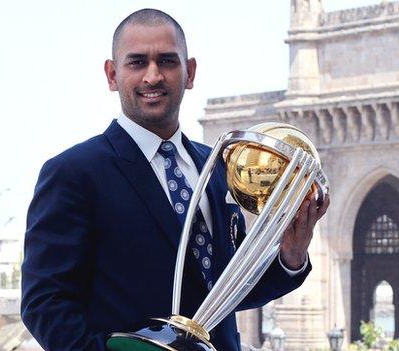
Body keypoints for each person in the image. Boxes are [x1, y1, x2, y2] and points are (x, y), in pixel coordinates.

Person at [21, 8, 330, 351]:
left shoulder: (218, 168)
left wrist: (291, 255)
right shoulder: (73, 173)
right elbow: (44, 305)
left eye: (167, 61)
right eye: (137, 62)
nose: (153, 76)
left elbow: (233, 288)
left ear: (190, 72)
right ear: (111, 75)